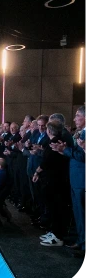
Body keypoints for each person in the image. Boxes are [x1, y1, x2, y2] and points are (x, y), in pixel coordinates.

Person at [50, 106, 86, 258]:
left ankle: (84, 245)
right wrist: (63, 149)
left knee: (82, 213)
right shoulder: (81, 133)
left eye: (77, 115)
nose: (74, 118)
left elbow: (83, 156)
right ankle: (81, 240)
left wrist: (64, 150)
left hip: (82, 179)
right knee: (78, 213)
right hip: (76, 177)